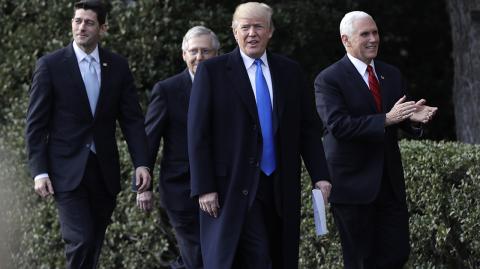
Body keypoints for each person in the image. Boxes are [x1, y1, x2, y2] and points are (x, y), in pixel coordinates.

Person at [187, 2, 331, 269]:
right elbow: (198, 134)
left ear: (270, 31)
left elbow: (308, 129)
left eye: (258, 27)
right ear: (234, 31)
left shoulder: (290, 72)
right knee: (255, 256)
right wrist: (204, 186)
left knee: (278, 255)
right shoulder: (212, 72)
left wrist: (320, 176)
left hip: (279, 185)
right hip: (230, 186)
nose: (252, 33)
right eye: (245, 27)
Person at [25, 1, 151, 268]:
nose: (81, 27)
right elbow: (35, 125)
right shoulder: (50, 66)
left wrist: (142, 162)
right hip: (66, 171)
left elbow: (132, 120)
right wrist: (39, 171)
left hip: (104, 171)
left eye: (89, 22)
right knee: (80, 239)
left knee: (93, 241)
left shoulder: (117, 66)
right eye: (77, 21)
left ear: (103, 28)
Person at [314, 11, 438, 269]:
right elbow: (338, 125)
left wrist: (414, 120)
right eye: (365, 34)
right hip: (352, 188)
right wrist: (385, 119)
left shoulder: (390, 74)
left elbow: (399, 119)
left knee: (397, 254)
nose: (373, 39)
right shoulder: (329, 79)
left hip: (389, 186)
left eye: (375, 32)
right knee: (361, 261)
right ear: (345, 40)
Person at [136, 25, 220, 269]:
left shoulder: (228, 87)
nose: (199, 57)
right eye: (193, 51)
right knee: (196, 254)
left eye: (205, 51)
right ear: (184, 55)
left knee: (212, 254)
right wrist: (144, 186)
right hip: (180, 189)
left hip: (221, 187)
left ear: (217, 54)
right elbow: (149, 140)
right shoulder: (167, 90)